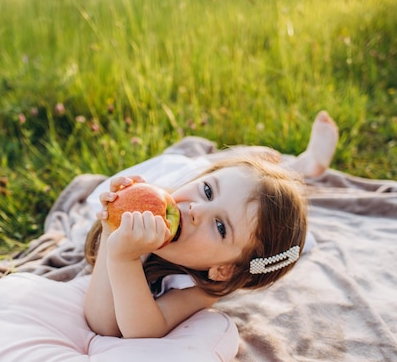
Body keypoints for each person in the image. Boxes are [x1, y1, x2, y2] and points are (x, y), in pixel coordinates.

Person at [84, 111, 338, 339]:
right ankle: (291, 165)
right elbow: (103, 319)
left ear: (223, 269)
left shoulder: (206, 287)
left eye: (220, 227)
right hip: (183, 174)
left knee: (284, 225)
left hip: (246, 237)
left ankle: (306, 165)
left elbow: (119, 328)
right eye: (206, 190)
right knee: (238, 178)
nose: (196, 210)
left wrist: (123, 259)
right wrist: (111, 227)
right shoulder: (150, 203)